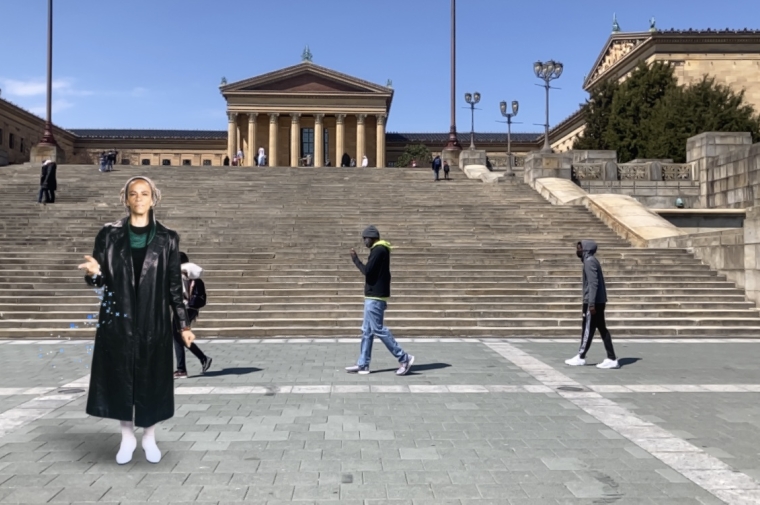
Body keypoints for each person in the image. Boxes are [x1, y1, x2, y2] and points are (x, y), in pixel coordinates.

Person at [78, 176, 196, 465]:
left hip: (152, 322)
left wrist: (183, 325)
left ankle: (149, 438)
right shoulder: (108, 234)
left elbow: (172, 287)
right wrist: (94, 273)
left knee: (152, 381)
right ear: (126, 198)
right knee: (121, 380)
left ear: (153, 198)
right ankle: (127, 437)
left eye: (145, 193)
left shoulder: (168, 238)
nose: (139, 198)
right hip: (118, 320)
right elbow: (98, 280)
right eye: (134, 194)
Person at [346, 226, 415, 376]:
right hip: (373, 295)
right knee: (366, 331)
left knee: (378, 329)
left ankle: (404, 358)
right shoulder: (380, 250)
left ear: (371, 238)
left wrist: (355, 260)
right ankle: (363, 364)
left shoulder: (378, 250)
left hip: (375, 297)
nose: (364, 241)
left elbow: (367, 272)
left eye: (365, 238)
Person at [565, 240, 619, 369]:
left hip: (593, 302)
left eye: (579, 248)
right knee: (602, 329)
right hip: (598, 301)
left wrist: (591, 303)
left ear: (586, 250)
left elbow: (593, 284)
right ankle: (611, 358)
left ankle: (581, 356)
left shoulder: (589, 262)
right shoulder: (591, 261)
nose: (577, 250)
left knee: (588, 329)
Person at [173, 252, 212, 379]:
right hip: (191, 308)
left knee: (178, 336)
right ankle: (200, 359)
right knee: (180, 336)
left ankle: (182, 369)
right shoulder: (191, 274)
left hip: (182, 309)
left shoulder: (180, 273)